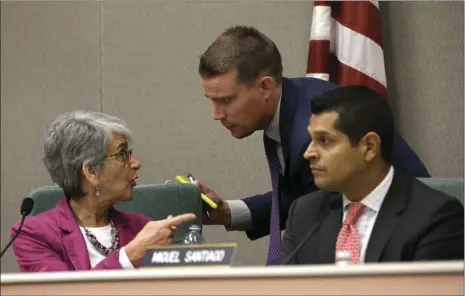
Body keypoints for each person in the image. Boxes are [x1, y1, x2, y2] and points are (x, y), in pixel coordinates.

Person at [196, 25, 431, 265]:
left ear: (265, 87)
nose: (216, 114)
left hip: (413, 252)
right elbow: (301, 202)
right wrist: (228, 212)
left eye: (225, 100)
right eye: (212, 101)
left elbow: (321, 234)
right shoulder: (290, 105)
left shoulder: (310, 134)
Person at [280, 86, 464, 264]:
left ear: (370, 147)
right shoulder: (304, 214)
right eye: (311, 139)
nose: (308, 153)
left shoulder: (435, 217)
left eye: (325, 140)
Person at [11, 111, 196, 272]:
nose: (136, 163)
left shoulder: (141, 227)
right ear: (91, 172)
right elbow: (63, 292)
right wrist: (128, 257)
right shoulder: (33, 235)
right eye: (123, 154)